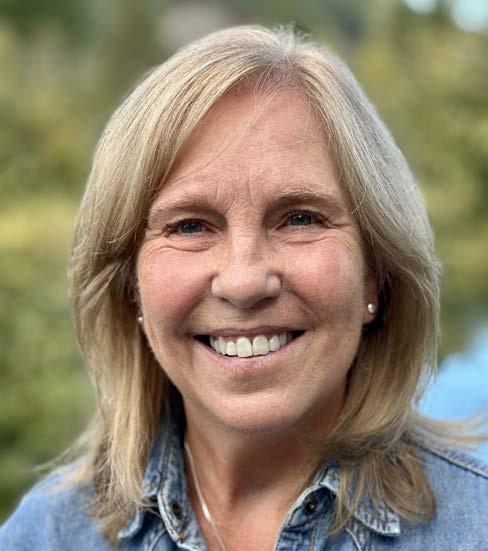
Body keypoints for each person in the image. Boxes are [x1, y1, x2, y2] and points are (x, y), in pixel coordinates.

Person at [1, 24, 487, 551]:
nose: (244, 281)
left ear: (374, 270)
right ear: (131, 287)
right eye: (190, 226)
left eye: (299, 218)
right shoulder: (46, 535)